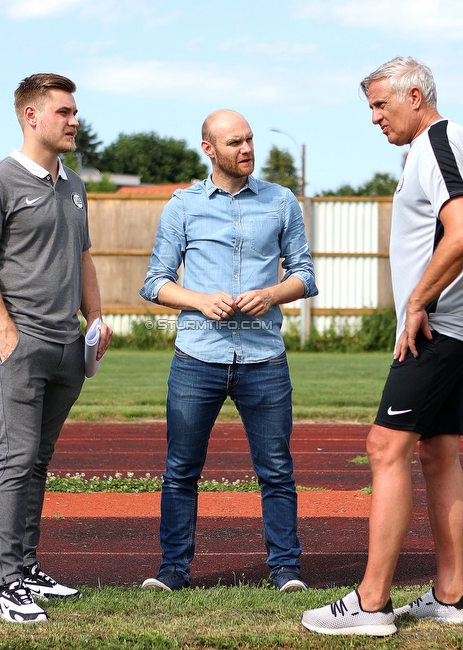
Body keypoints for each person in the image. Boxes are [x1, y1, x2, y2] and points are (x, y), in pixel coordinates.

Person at [302, 57, 463, 637]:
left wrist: (417, 303)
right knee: (438, 453)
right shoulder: (452, 142)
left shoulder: (437, 143)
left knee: (385, 447)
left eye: (381, 105)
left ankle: (370, 604)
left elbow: (462, 231)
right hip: (461, 324)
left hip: (438, 325)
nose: (374, 118)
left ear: (415, 96)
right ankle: (450, 597)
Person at [139, 109, 318, 593]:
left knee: (277, 470)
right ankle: (173, 571)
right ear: (209, 149)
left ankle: (286, 571)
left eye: (250, 140)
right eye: (235, 142)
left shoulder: (282, 203)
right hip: (197, 359)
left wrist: (273, 294)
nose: (247, 149)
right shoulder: (181, 206)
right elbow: (155, 283)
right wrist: (199, 299)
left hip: (265, 360)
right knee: (181, 470)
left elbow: (305, 274)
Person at [0, 73, 113, 624]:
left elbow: (85, 256)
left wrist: (95, 318)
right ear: (31, 116)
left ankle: (25, 568)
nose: (75, 121)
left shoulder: (74, 184)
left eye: (75, 112)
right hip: (19, 342)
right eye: (65, 112)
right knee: (16, 459)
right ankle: (6, 586)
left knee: (38, 462)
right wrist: (4, 329)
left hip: (68, 344)